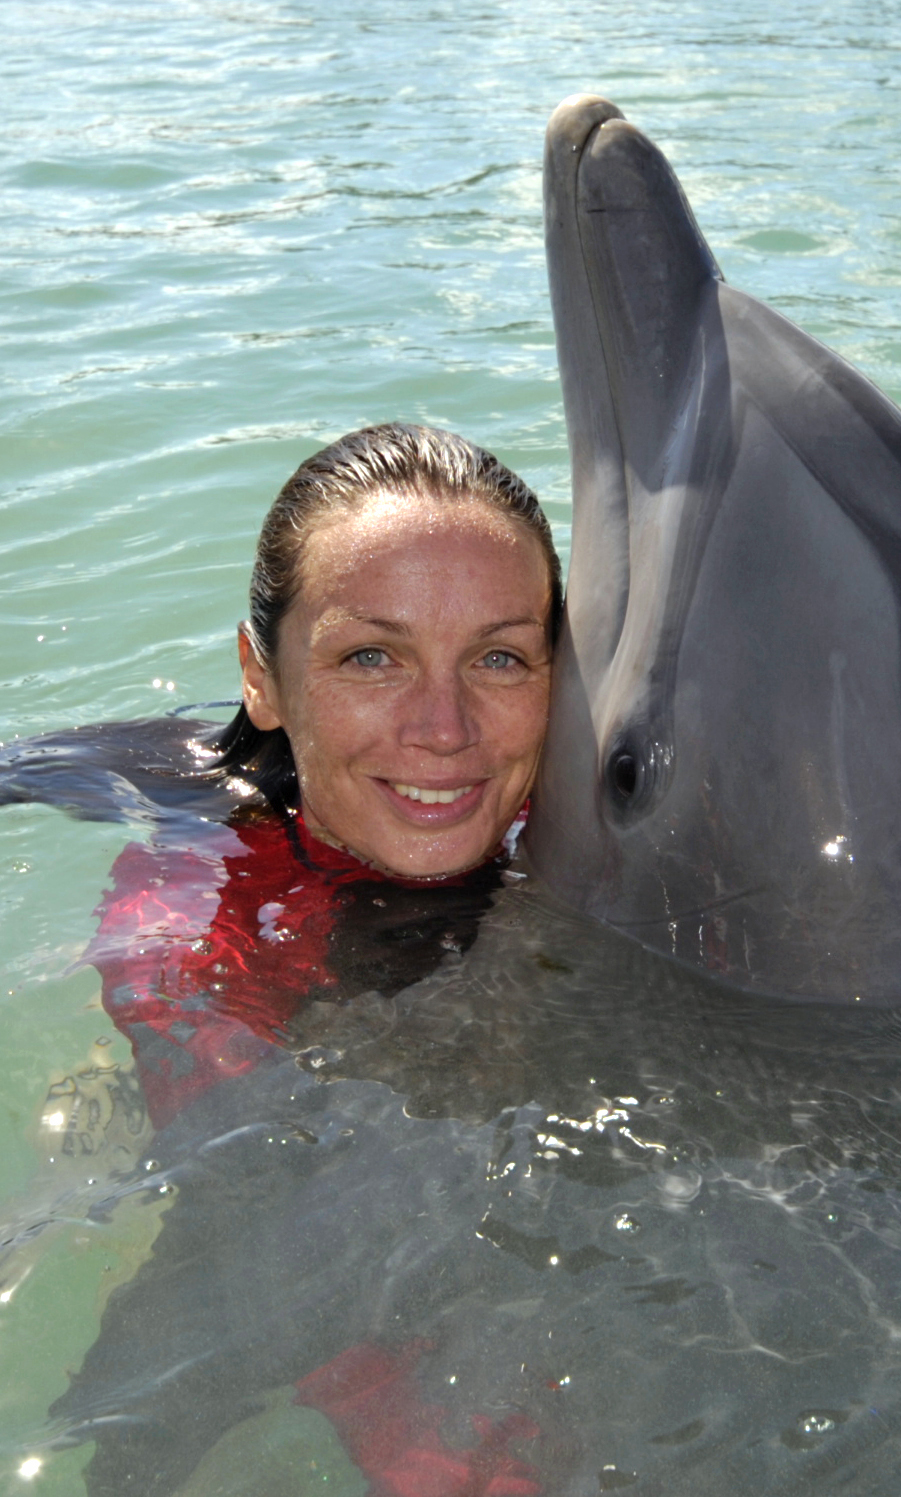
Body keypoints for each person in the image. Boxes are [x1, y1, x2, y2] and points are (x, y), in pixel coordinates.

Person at [68, 423, 562, 1497]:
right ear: (263, 679)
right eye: (370, 656)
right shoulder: (196, 892)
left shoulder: (580, 846)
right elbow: (258, 1230)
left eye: (500, 657)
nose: (444, 727)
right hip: (279, 1179)